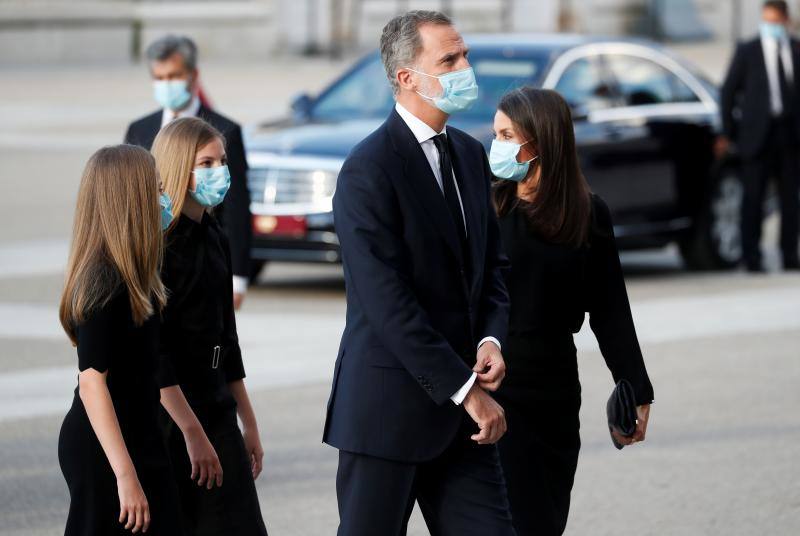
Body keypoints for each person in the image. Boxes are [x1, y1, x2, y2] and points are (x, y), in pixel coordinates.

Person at [323, 11, 515, 536]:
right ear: (407, 77)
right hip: (388, 416)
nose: (464, 68)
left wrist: (493, 337)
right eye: (449, 60)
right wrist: (466, 390)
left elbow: (493, 268)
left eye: (465, 56)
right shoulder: (368, 170)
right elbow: (386, 302)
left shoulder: (472, 156)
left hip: (464, 428)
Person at [488, 87, 655, 536]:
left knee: (546, 520)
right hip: (495, 386)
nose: (496, 145)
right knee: (509, 520)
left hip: (556, 388)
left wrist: (636, 386)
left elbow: (610, 308)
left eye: (507, 135)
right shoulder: (490, 206)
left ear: (539, 142)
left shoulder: (586, 212)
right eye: (495, 134)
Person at [57, 145, 183, 535]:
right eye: (157, 189)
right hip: (106, 450)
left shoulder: (137, 275)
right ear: (132, 201)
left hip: (140, 434)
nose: (165, 199)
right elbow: (92, 383)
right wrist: (125, 476)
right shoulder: (103, 282)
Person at [151, 117, 268, 536]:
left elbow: (228, 340)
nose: (218, 171)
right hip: (172, 417)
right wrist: (191, 432)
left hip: (216, 406)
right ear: (179, 167)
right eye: (206, 163)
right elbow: (156, 355)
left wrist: (248, 423)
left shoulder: (214, 235)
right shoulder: (159, 246)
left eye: (221, 161)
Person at [125, 34, 253, 305]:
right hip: (153, 258)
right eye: (159, 78)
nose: (167, 84)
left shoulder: (225, 130)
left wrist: (238, 276)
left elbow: (237, 207)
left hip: (205, 257)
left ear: (193, 76)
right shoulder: (139, 129)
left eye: (174, 76)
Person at [719, 0, 800, 272]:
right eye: (767, 20)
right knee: (753, 198)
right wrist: (728, 133)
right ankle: (751, 257)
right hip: (756, 136)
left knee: (790, 199)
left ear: (785, 20)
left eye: (775, 21)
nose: (771, 27)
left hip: (789, 134)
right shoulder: (748, 51)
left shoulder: (796, 49)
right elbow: (728, 92)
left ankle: (789, 254)